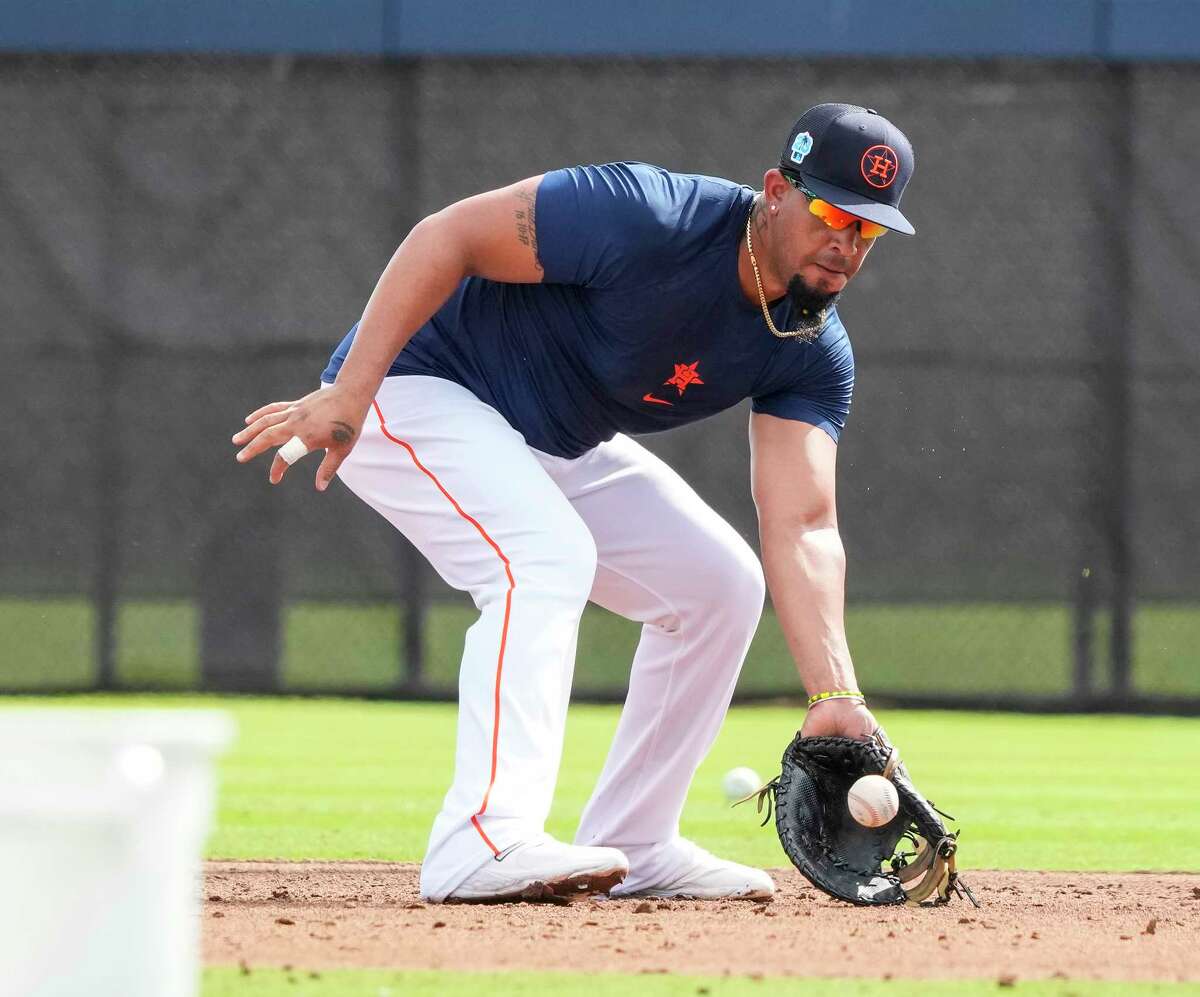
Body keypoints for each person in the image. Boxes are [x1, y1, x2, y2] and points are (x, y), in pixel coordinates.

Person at [232, 103, 916, 904]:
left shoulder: (811, 350)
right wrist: (350, 390)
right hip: (412, 387)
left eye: (868, 230)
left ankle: (636, 838)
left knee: (720, 586)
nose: (846, 242)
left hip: (551, 440)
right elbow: (445, 235)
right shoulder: (647, 215)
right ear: (775, 190)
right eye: (832, 211)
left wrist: (836, 697)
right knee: (544, 555)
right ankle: (480, 839)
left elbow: (803, 525)